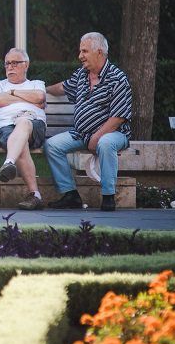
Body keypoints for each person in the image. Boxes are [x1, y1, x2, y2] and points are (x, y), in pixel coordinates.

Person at [44, 32, 132, 212]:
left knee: (106, 144)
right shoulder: (82, 74)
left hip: (114, 133)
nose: (80, 56)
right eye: (80, 51)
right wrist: (41, 89)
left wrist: (98, 136)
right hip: (82, 133)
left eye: (84, 51)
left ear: (99, 52)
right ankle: (70, 195)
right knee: (52, 145)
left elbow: (118, 117)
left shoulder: (117, 78)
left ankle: (108, 196)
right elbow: (63, 87)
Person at [0, 48, 47, 211]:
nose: (10, 67)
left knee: (24, 122)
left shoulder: (37, 84)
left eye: (15, 63)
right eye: (7, 63)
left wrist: (11, 93)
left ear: (26, 65)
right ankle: (35, 195)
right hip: (5, 127)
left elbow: (40, 98)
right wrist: (28, 98)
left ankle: (8, 163)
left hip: (34, 125)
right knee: (21, 142)